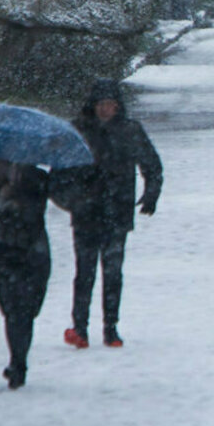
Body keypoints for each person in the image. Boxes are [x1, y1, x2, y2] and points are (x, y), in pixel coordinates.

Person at [58, 79, 163, 349]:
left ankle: (110, 328)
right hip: (86, 214)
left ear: (118, 106)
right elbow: (58, 175)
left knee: (113, 273)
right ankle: (80, 327)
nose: (106, 109)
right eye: (102, 104)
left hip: (117, 211)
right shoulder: (78, 131)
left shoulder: (130, 131)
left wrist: (151, 195)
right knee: (85, 273)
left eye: (111, 104)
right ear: (93, 105)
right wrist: (72, 201)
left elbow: (152, 165)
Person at [0, 159, 52, 389]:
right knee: (12, 309)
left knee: (27, 309)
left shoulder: (39, 177)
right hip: (5, 248)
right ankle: (17, 362)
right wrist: (4, 201)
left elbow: (39, 210)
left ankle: (19, 361)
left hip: (33, 249)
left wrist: (22, 195)